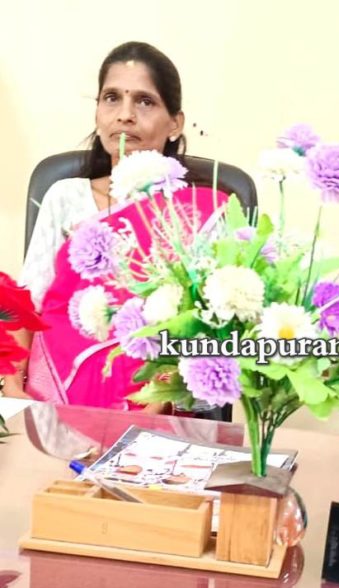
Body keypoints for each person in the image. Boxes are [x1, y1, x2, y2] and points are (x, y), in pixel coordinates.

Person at [4, 42, 226, 414]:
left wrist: (150, 414)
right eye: (112, 98)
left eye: (145, 101)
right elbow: (27, 306)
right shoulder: (65, 197)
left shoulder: (196, 215)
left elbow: (205, 331)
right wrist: (13, 389)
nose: (125, 115)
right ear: (97, 112)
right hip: (52, 403)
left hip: (154, 411)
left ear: (175, 123)